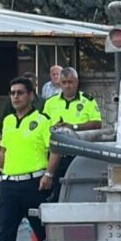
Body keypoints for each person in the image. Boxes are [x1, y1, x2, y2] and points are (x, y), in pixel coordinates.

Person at [0, 77, 61, 241]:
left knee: (43, 233)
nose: (16, 97)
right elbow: (3, 149)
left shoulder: (42, 119)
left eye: (20, 92)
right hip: (10, 184)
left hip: (35, 183)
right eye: (12, 93)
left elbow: (55, 149)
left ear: (30, 95)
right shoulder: (8, 120)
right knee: (4, 234)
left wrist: (49, 174)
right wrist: (1, 175)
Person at [42, 67, 102, 197]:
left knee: (80, 189)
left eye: (70, 82)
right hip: (56, 154)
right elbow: (43, 125)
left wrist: (73, 127)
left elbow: (97, 124)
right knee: (56, 191)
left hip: (80, 154)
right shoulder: (50, 102)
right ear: (60, 83)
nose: (67, 86)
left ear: (77, 82)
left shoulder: (88, 101)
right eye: (64, 83)